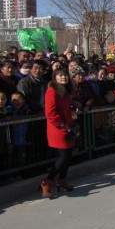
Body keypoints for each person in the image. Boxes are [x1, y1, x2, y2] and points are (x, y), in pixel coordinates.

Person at [42, 67, 77, 198]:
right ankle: (47, 182)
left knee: (68, 156)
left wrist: (74, 109)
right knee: (62, 157)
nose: (64, 77)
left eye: (65, 75)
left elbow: (68, 107)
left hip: (69, 126)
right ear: (55, 77)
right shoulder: (51, 91)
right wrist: (62, 124)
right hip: (58, 128)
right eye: (60, 75)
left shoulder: (66, 91)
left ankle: (62, 180)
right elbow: (50, 112)